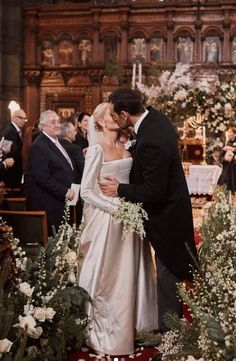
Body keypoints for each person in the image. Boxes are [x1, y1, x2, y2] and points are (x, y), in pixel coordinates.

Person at [99, 88, 198, 333]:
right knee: (168, 274)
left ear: (124, 115)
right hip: (174, 210)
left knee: (167, 276)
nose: (112, 120)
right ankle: (169, 331)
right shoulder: (156, 119)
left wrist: (120, 189)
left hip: (167, 217)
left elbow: (154, 192)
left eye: (114, 115)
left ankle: (169, 337)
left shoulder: (151, 138)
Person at [78, 102, 158, 356]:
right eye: (108, 115)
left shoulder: (128, 145)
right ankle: (108, 332)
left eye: (115, 114)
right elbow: (86, 192)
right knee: (112, 277)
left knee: (134, 271)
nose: (113, 117)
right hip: (108, 218)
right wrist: (117, 210)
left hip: (131, 214)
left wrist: (130, 208)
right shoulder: (95, 151)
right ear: (99, 122)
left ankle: (136, 327)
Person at [24, 110, 77, 235]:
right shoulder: (39, 145)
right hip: (49, 203)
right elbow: (42, 178)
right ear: (43, 126)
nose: (58, 125)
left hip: (60, 201)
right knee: (53, 243)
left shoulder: (56, 141)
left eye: (58, 121)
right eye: (53, 122)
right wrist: (65, 191)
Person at [2, 109, 27, 188]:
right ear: (14, 118)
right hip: (11, 170)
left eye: (25, 118)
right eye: (21, 118)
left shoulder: (16, 130)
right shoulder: (10, 131)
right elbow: (7, 151)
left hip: (15, 169)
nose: (23, 120)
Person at [217, 127, 236, 193]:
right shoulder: (226, 143)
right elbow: (221, 155)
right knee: (223, 183)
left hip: (234, 168)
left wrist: (233, 150)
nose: (228, 133)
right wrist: (224, 158)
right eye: (228, 132)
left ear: (234, 134)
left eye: (230, 132)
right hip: (226, 168)